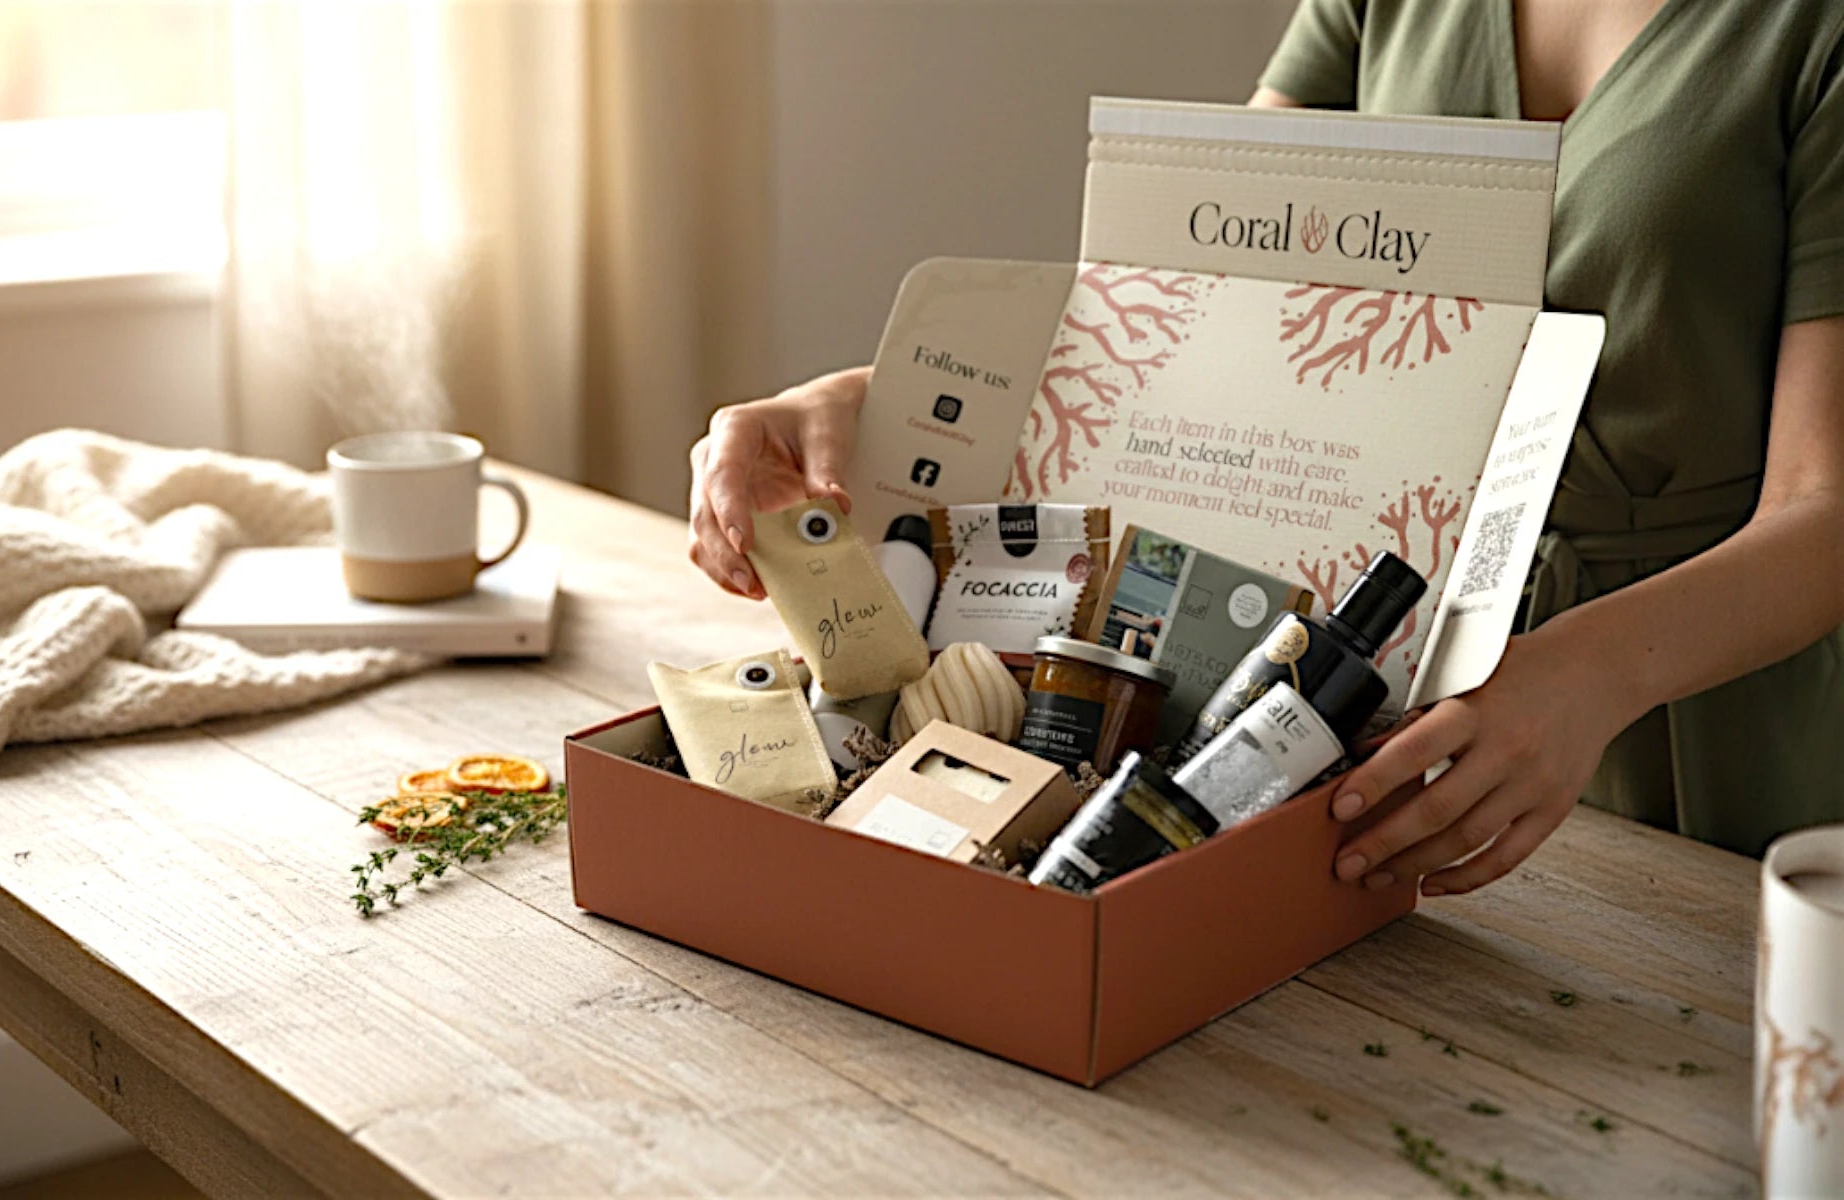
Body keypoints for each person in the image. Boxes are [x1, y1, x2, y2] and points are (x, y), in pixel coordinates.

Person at [687, 0, 1844, 896]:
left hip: (1683, 711)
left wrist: (1591, 675)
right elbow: (1185, 311)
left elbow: (1821, 501)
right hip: (1364, 678)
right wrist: (871, 397)